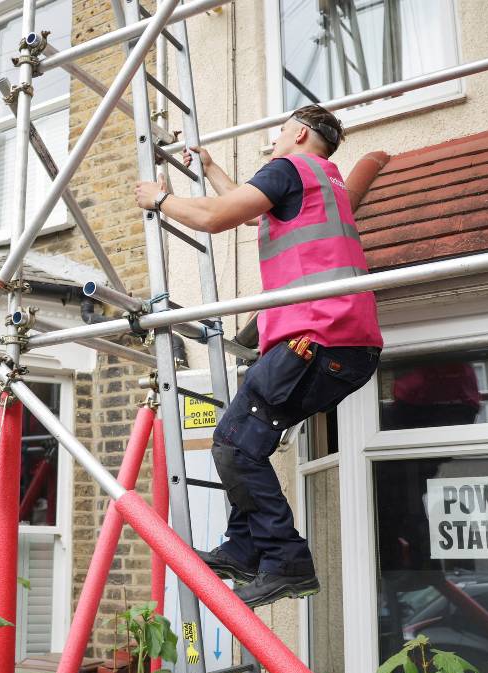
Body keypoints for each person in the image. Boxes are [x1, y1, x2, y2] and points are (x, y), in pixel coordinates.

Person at [134, 105, 382, 607]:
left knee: (231, 442)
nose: (273, 139)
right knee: (247, 438)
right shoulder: (324, 181)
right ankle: (246, 547)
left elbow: (213, 218)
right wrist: (210, 169)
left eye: (279, 131)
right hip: (345, 343)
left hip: (316, 335)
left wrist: (160, 198)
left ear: (299, 132)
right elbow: (251, 208)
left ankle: (285, 560)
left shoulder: (289, 169)